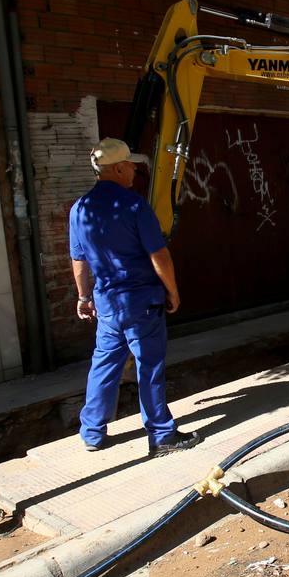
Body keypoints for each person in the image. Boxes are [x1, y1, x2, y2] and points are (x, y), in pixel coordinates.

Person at [69, 138, 200, 456]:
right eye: (130, 165)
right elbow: (160, 256)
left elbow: (78, 261)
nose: (134, 171)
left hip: (108, 304)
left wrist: (84, 297)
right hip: (141, 301)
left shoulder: (79, 210)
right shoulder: (133, 205)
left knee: (105, 364)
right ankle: (161, 434)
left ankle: (92, 433)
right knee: (149, 364)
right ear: (117, 168)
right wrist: (173, 290)